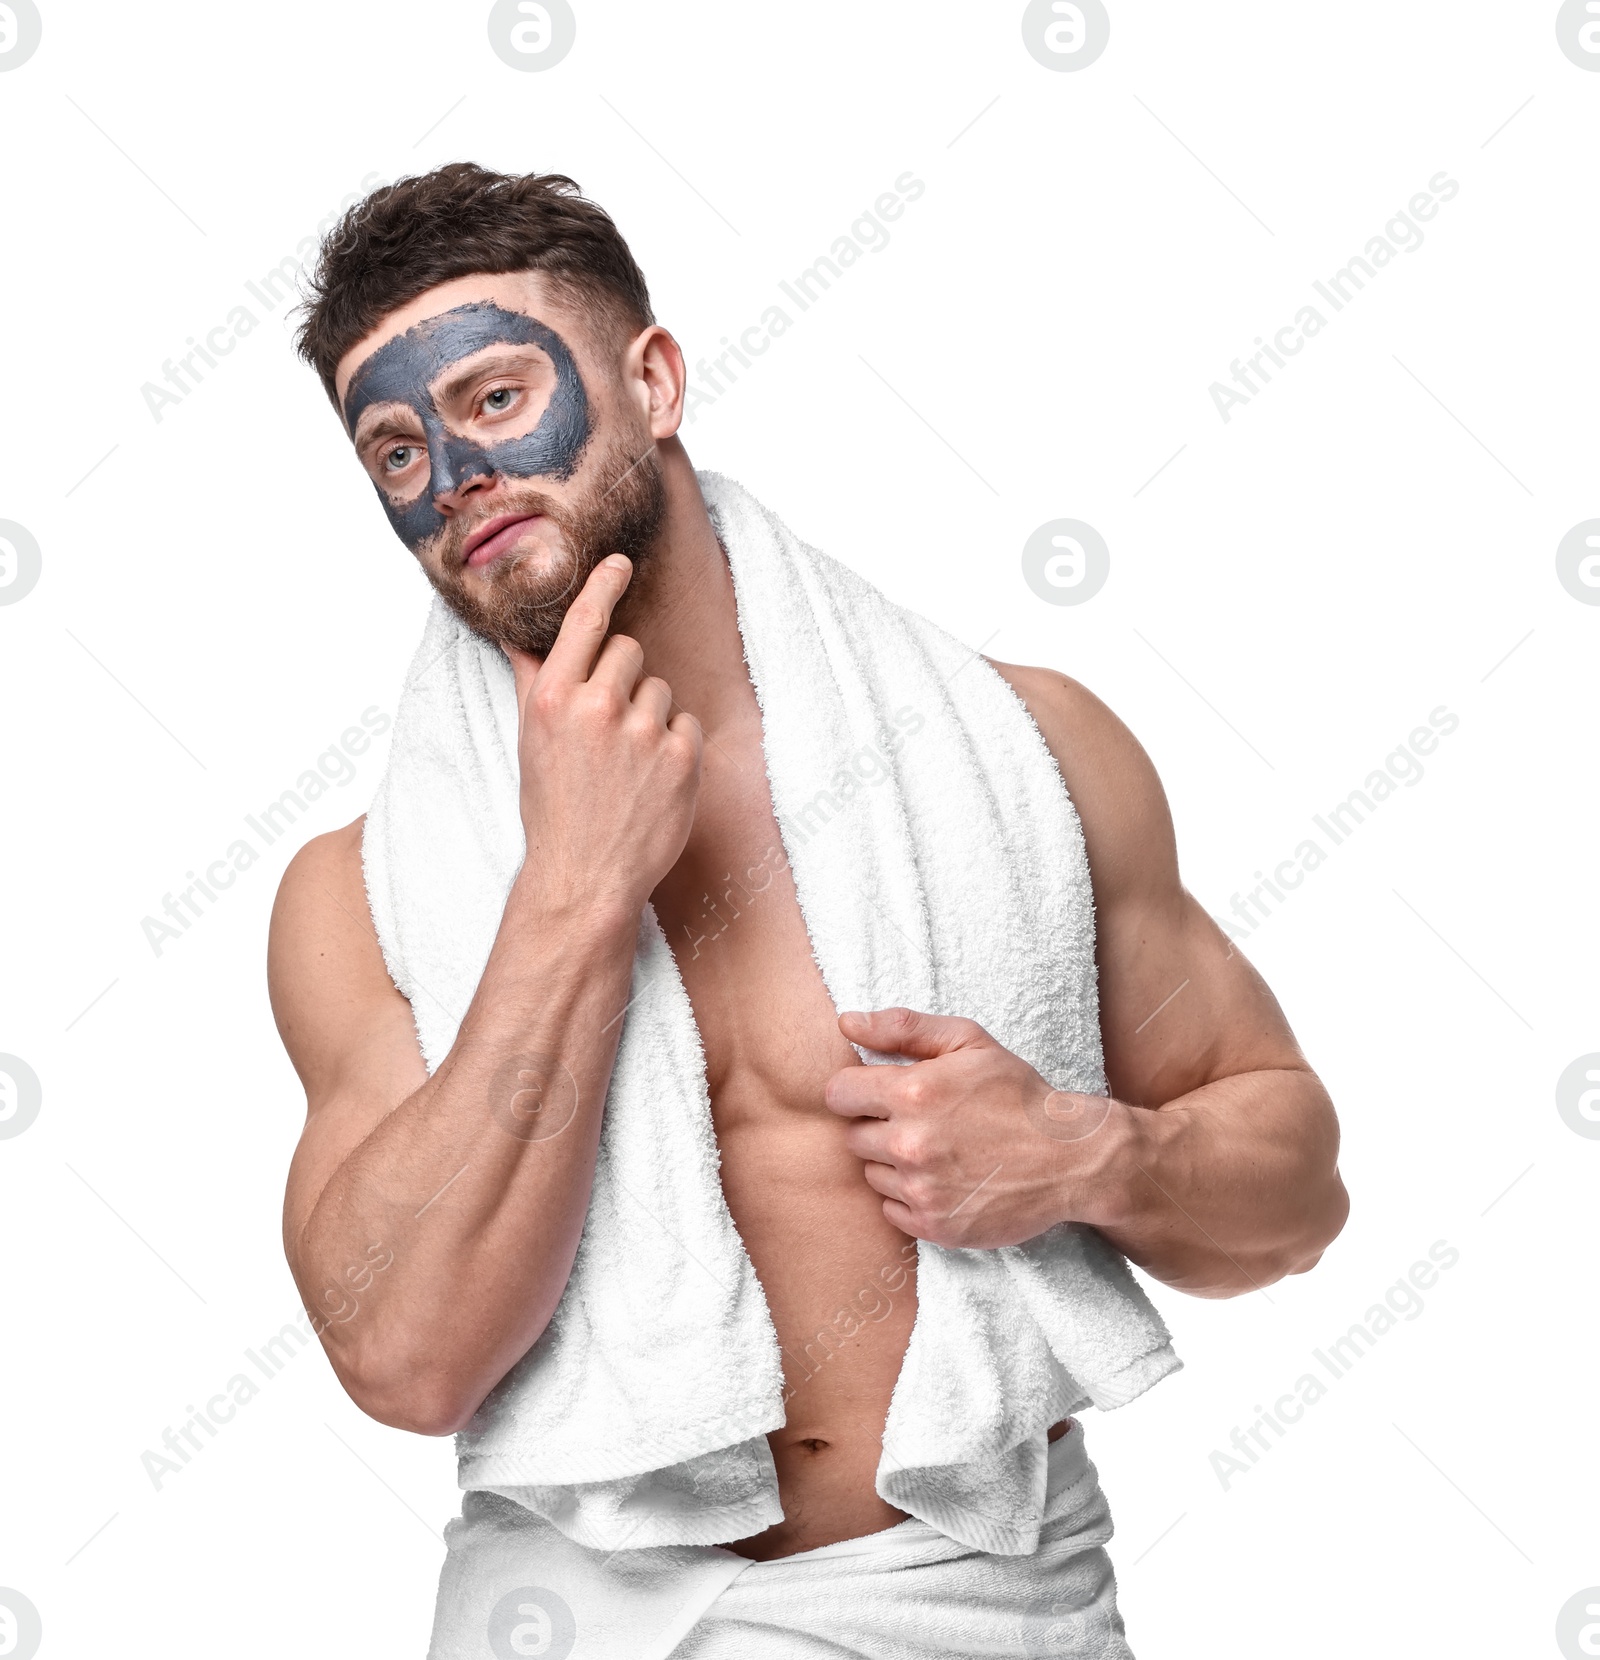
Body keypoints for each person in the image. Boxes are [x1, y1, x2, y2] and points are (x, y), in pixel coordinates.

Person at [268, 163, 1348, 1658]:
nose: (452, 474)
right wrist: (573, 892)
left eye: (498, 399)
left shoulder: (1022, 754)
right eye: (394, 449)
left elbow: (1298, 1201)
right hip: (583, 1622)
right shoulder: (355, 897)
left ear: (652, 379)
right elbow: (402, 1361)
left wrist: (1089, 1154)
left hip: (979, 1609)